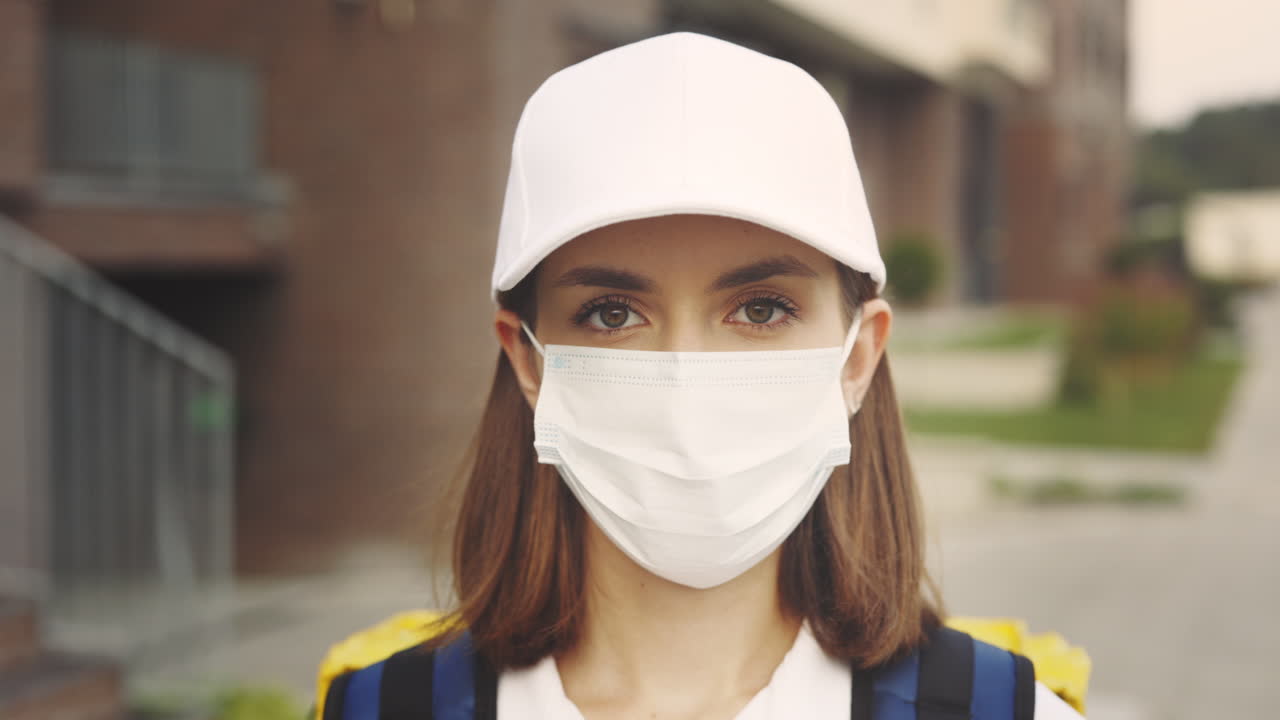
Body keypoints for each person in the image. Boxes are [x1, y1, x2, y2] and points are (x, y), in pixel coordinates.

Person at [319, 32, 1086, 720]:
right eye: (613, 313)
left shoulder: (1005, 711)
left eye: (760, 309)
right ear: (526, 359)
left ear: (858, 356)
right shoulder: (382, 708)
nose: (685, 379)